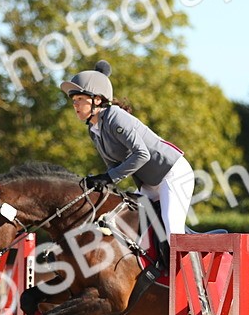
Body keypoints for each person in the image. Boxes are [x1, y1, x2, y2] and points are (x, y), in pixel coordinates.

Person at [60, 60, 195, 247]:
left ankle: (188, 264)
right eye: (73, 100)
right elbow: (113, 166)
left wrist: (108, 178)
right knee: (129, 225)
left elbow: (142, 154)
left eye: (80, 99)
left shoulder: (115, 117)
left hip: (172, 173)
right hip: (149, 183)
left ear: (97, 99)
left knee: (172, 231)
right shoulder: (93, 130)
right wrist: (99, 182)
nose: (75, 104)